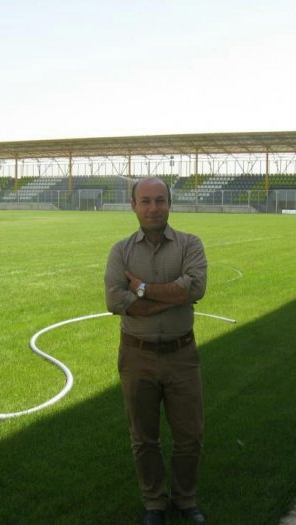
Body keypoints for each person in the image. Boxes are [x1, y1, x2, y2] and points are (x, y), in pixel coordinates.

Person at [104, 177, 208, 525]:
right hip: (137, 357)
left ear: (170, 203)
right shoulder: (121, 251)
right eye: (145, 201)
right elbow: (115, 301)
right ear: (133, 206)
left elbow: (195, 288)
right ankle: (154, 503)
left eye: (160, 200)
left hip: (182, 356)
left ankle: (185, 499)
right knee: (144, 438)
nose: (153, 208)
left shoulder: (190, 244)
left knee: (190, 437)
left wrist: (143, 290)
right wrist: (170, 297)